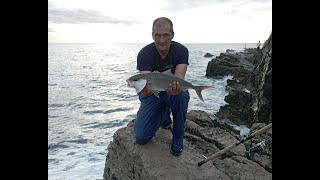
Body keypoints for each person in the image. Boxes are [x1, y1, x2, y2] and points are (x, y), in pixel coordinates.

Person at [133, 17, 190, 156]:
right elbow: (145, 88)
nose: (162, 40)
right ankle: (163, 115)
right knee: (141, 138)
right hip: (153, 94)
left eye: (166, 35)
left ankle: (177, 136)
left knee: (182, 95)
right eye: (157, 35)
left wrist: (175, 90)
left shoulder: (181, 51)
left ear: (172, 35)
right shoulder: (144, 54)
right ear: (152, 35)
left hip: (172, 91)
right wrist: (142, 90)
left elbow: (178, 80)